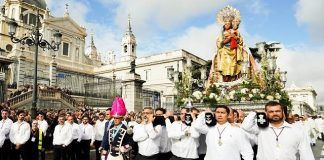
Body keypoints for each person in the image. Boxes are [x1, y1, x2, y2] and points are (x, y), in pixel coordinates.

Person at [241, 101, 315, 160]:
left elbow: (306, 154)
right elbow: (245, 126)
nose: (275, 113)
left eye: (277, 111)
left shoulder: (296, 130)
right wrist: (255, 112)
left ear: (282, 112)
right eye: (271, 112)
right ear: (266, 113)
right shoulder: (260, 129)